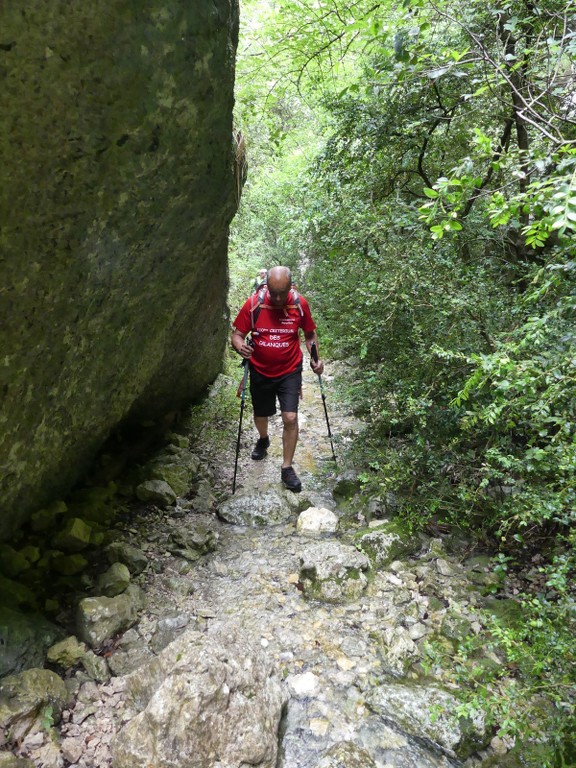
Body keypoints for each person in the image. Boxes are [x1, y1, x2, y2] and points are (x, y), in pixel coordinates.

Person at [231, 266, 324, 492]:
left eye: (283, 293)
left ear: (291, 286)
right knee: (260, 414)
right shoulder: (254, 304)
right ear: (267, 287)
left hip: (289, 370)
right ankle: (263, 439)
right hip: (260, 370)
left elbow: (310, 334)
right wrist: (240, 347)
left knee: (290, 418)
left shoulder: (299, 304)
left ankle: (286, 468)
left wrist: (315, 358)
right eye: (274, 293)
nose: (279, 298)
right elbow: (237, 335)